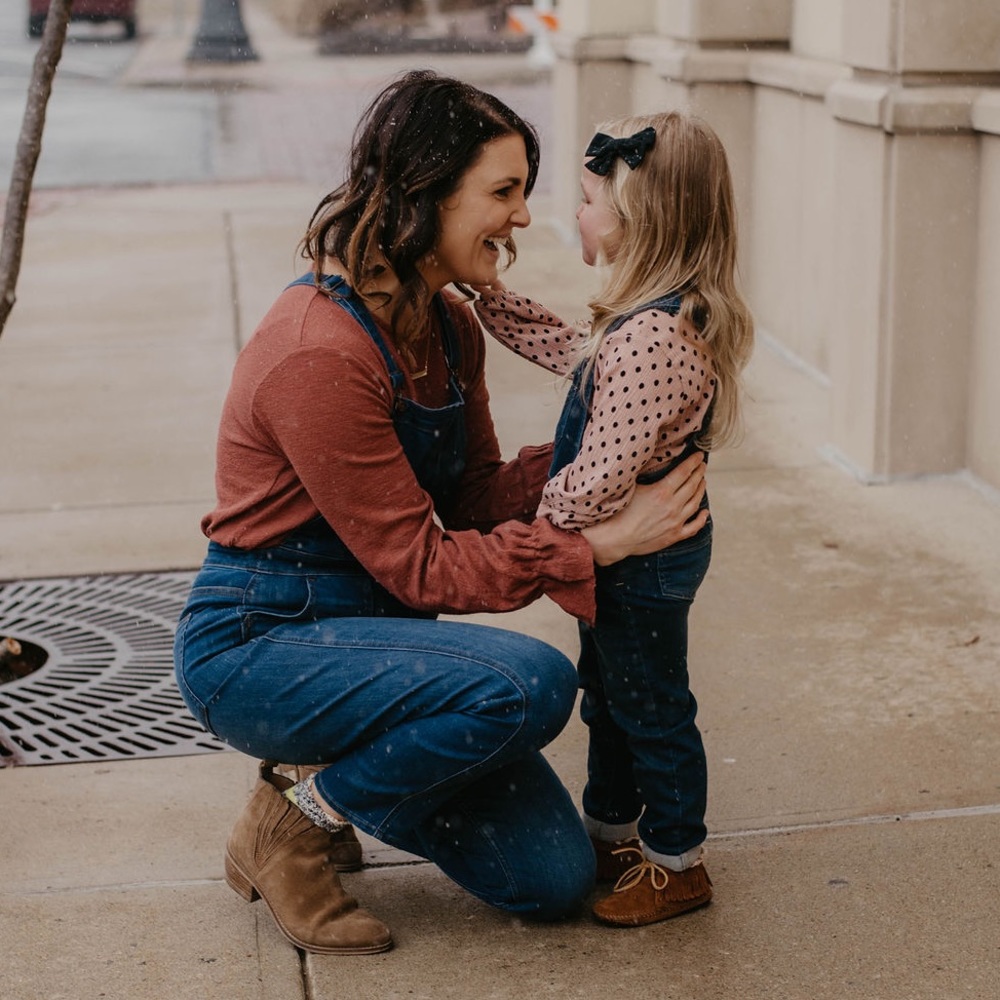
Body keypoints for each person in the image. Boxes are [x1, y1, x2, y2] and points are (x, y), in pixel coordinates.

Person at [173, 71, 710, 955]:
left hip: (379, 639)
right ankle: (294, 821)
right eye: (503, 192)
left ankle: (325, 761)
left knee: (550, 879)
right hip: (264, 643)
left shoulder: (450, 328)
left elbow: (470, 502)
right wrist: (593, 547)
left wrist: (615, 450)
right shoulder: (320, 351)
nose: (523, 216)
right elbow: (425, 567)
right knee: (532, 685)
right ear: (425, 194)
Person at [473, 110, 754, 926]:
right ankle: (611, 835)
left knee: (650, 708)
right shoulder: (655, 321)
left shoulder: (651, 340)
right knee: (612, 694)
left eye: (590, 201)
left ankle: (676, 862)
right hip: (635, 554)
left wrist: (538, 525)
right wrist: (496, 306)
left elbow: (594, 484)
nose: (573, 214)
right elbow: (578, 354)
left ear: (640, 220)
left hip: (641, 559)